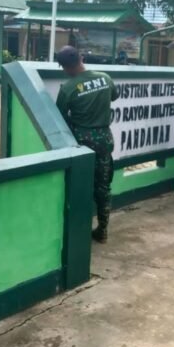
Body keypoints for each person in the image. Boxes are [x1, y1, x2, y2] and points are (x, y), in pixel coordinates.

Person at [55, 46, 119, 243]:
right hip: (105, 139)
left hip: (82, 142)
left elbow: (59, 116)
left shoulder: (68, 88)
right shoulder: (105, 78)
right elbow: (114, 96)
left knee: (80, 185)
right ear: (81, 58)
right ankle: (103, 229)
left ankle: (79, 232)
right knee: (103, 186)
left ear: (65, 67)